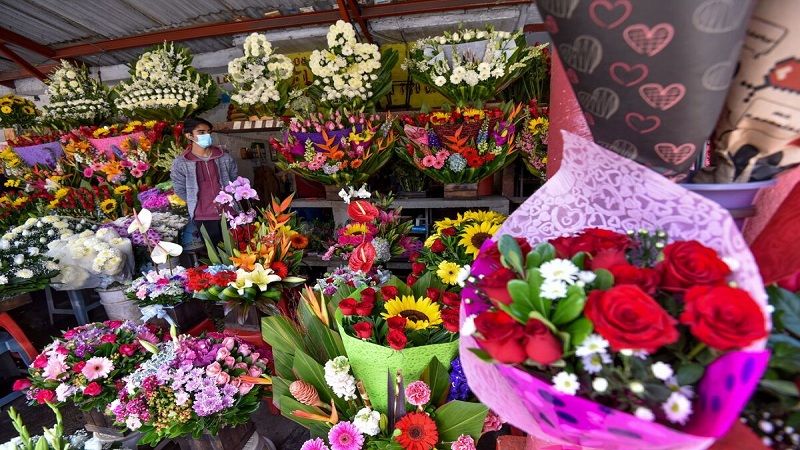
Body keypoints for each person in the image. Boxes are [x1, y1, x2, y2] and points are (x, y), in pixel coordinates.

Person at [171, 117, 238, 247]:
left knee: (238, 253)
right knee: (215, 257)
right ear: (189, 135)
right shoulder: (181, 163)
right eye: (201, 132)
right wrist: (197, 203)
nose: (206, 135)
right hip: (203, 217)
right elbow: (179, 189)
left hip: (229, 213)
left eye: (208, 132)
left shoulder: (224, 158)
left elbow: (234, 181)